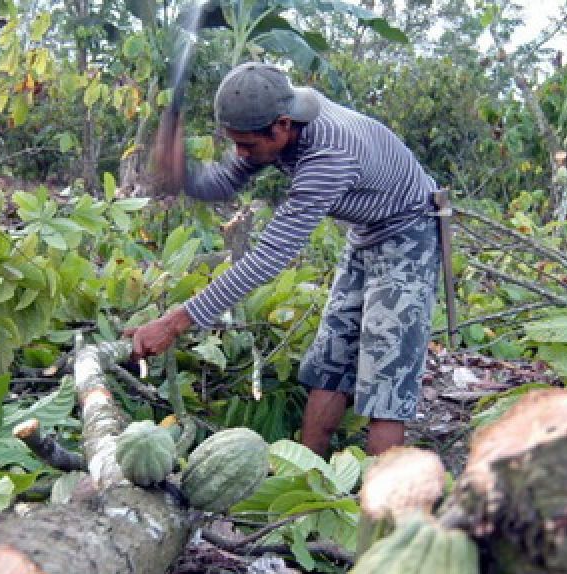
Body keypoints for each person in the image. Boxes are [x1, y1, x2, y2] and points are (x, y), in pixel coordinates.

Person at [125, 62, 440, 457]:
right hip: (366, 233)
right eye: (235, 143)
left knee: (385, 383)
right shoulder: (270, 124)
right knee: (331, 360)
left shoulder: (329, 156)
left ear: (283, 125)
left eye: (248, 145)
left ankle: (384, 513)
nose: (242, 154)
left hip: (410, 232)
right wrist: (180, 172)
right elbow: (223, 181)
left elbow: (270, 257)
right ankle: (309, 476)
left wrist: (175, 322)